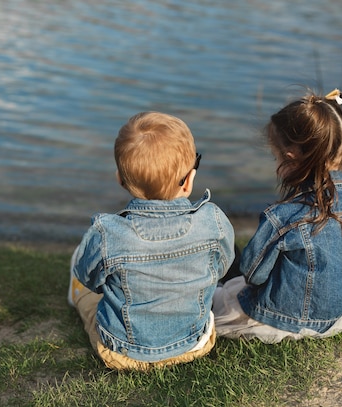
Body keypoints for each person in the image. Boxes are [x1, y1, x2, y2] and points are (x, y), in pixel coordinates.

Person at [68, 111, 235, 370]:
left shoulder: (108, 233)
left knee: (88, 293)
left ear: (120, 179)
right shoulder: (212, 220)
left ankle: (77, 299)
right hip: (195, 343)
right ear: (189, 181)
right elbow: (223, 266)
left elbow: (89, 277)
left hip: (125, 353)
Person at [212, 88, 342, 343]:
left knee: (220, 292)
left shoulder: (283, 216)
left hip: (284, 319)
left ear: (290, 158)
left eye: (276, 155)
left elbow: (252, 275)